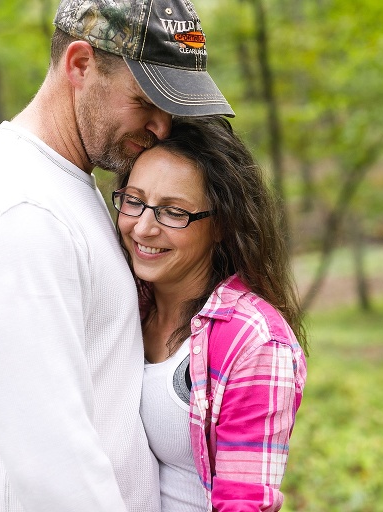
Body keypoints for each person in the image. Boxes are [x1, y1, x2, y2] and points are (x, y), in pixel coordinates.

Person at [0, 0, 233, 510]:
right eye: (144, 100)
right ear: (81, 65)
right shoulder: (16, 210)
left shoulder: (62, 184)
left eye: (170, 109)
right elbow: (52, 468)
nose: (161, 127)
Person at [112, 116, 308, 512]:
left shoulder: (254, 341)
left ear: (220, 225)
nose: (143, 228)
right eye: (134, 201)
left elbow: (243, 503)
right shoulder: (123, 304)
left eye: (173, 212)